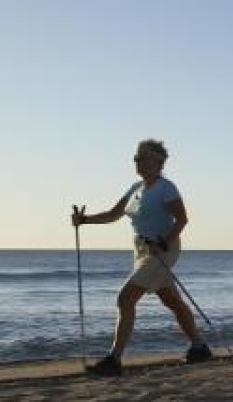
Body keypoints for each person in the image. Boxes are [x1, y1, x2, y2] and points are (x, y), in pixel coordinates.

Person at [71, 138, 212, 377]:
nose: (137, 162)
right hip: (141, 251)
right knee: (172, 301)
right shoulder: (135, 188)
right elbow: (114, 214)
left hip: (162, 249)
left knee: (125, 299)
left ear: (158, 162)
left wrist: (164, 242)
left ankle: (114, 359)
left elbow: (182, 219)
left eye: (143, 157)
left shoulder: (166, 187)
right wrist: (85, 220)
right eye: (136, 158)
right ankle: (199, 347)